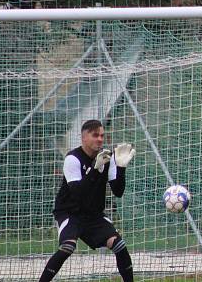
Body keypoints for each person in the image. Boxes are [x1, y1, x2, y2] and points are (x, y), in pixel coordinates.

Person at [39, 120, 136, 282]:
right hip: (70, 213)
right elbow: (78, 194)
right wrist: (94, 171)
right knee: (67, 247)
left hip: (93, 215)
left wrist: (121, 168)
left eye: (102, 136)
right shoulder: (73, 158)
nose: (100, 139)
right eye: (95, 135)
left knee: (119, 244)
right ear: (84, 138)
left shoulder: (107, 158)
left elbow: (118, 191)